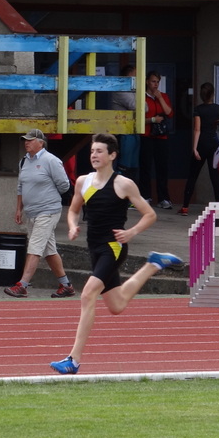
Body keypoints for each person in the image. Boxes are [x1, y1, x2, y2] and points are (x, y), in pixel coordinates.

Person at [50, 133, 182, 375]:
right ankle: (153, 264)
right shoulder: (83, 181)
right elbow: (73, 210)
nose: (94, 155)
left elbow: (150, 214)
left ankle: (73, 360)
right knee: (117, 305)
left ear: (112, 155)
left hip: (113, 247)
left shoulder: (124, 184)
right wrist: (72, 226)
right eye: (92, 151)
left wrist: (131, 232)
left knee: (87, 294)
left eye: (99, 151)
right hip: (94, 248)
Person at [4, 129, 75, 299]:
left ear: (41, 142)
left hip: (48, 211)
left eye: (30, 140)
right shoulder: (24, 161)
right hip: (32, 212)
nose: (26, 143)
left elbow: (64, 185)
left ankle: (22, 285)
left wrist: (48, 196)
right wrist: (19, 208)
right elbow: (21, 186)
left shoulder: (51, 160)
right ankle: (66, 285)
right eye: (25, 140)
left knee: (35, 247)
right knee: (49, 251)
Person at [178, 82, 219, 215]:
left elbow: (197, 129)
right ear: (213, 94)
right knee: (215, 178)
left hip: (202, 144)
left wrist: (194, 148)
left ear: (201, 95)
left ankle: (185, 207)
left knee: (193, 176)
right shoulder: (218, 109)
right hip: (214, 144)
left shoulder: (198, 109)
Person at [139, 70, 174, 209]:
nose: (155, 84)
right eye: (153, 81)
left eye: (157, 82)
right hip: (147, 136)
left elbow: (169, 113)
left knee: (162, 167)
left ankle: (163, 198)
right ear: (147, 81)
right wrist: (152, 120)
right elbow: (138, 118)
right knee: (145, 167)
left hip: (161, 136)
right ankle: (145, 196)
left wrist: (159, 98)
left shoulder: (163, 96)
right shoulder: (142, 97)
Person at [110, 64, 140, 184]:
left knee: (133, 168)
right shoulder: (121, 90)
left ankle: (130, 193)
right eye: (135, 75)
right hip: (123, 133)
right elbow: (136, 106)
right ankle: (118, 191)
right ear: (128, 76)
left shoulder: (133, 91)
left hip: (134, 131)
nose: (138, 78)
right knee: (124, 167)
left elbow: (146, 108)